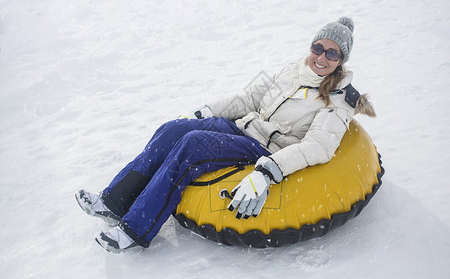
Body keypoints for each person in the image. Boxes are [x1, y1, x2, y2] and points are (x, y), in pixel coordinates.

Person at [76, 16, 375, 253]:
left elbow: (319, 147)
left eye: (332, 53)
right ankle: (113, 201)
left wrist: (269, 172)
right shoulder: (291, 70)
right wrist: (205, 111)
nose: (321, 57)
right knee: (172, 130)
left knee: (192, 145)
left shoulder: (340, 99)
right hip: (242, 126)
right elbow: (248, 99)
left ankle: (134, 229)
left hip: (263, 148)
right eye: (317, 48)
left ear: (341, 59)